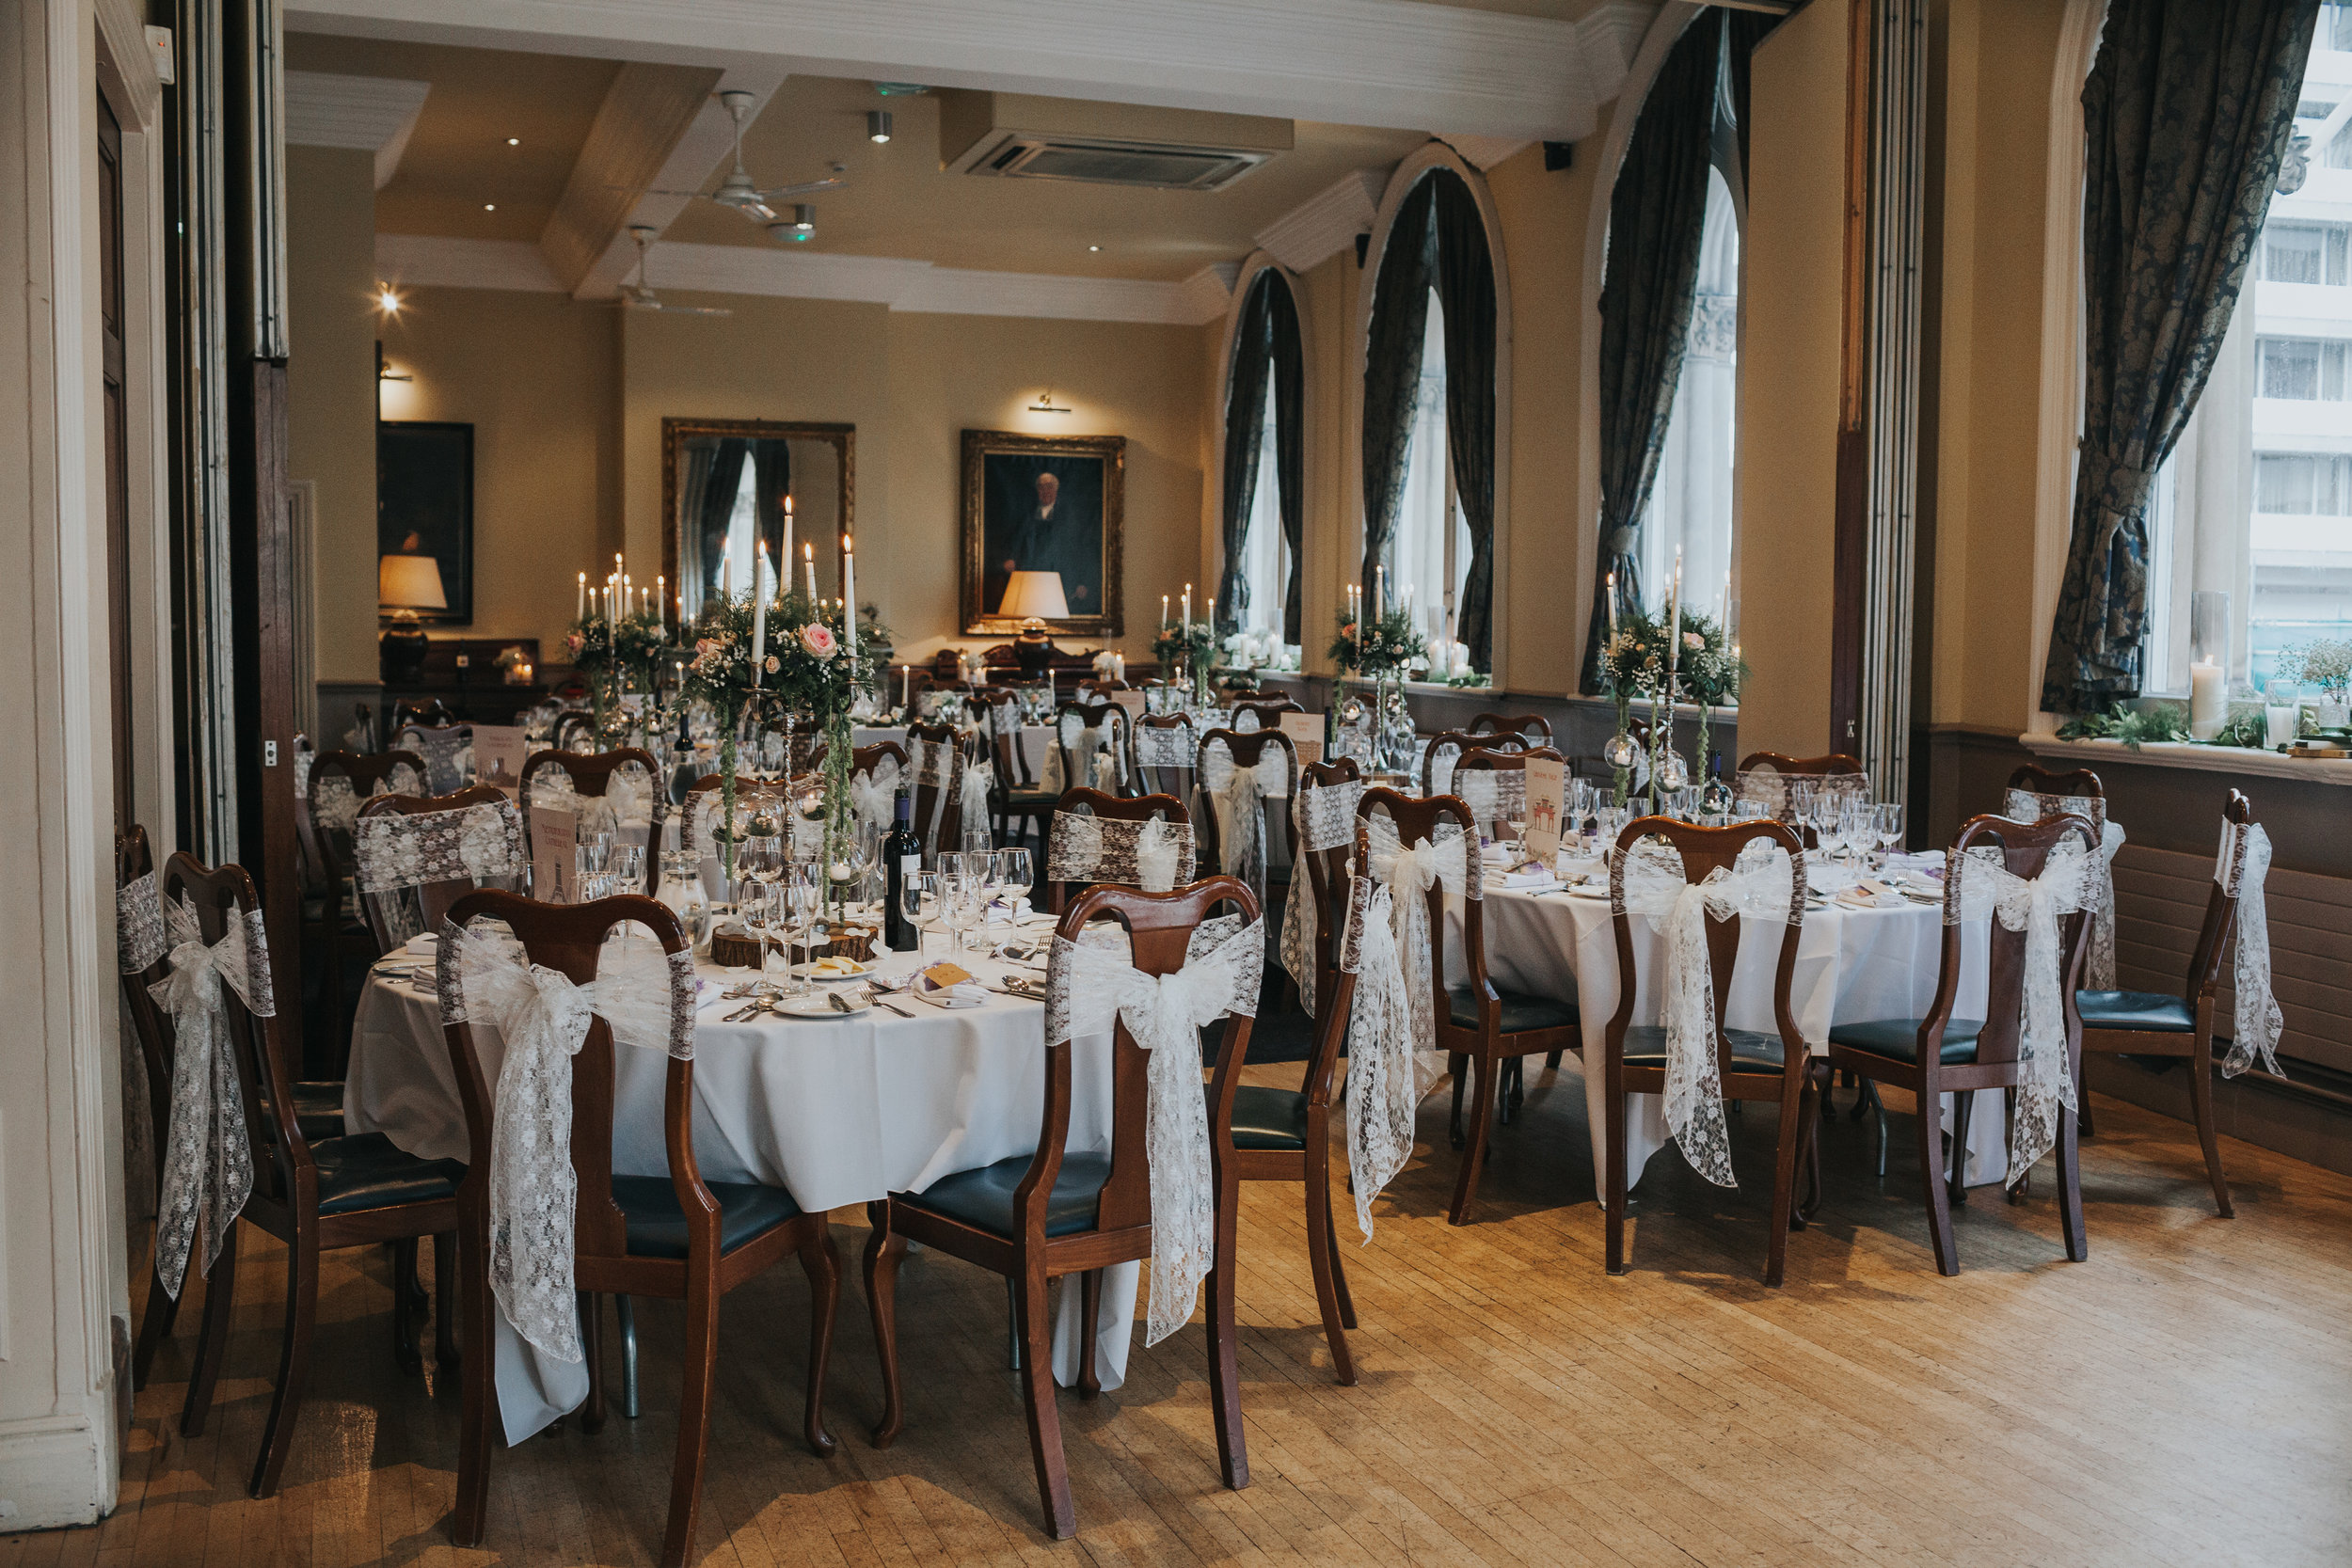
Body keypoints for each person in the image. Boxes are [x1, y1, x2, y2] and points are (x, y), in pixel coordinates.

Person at [985, 462, 1102, 615]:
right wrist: (1010, 558)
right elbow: (1016, 541)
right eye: (1041, 487)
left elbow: (1081, 550)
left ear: (1056, 490)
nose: (1045, 491)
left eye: (1049, 487)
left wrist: (1082, 582)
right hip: (1030, 575)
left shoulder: (1070, 518)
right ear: (1037, 491)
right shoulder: (1027, 516)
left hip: (1062, 578)